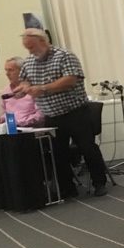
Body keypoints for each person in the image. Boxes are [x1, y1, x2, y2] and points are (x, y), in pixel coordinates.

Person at [14, 28, 107, 196]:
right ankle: (67, 188)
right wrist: (24, 88)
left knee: (87, 148)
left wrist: (43, 88)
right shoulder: (29, 62)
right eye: (27, 48)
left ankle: (99, 182)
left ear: (43, 41)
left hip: (75, 112)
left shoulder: (64, 56)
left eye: (32, 47)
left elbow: (70, 80)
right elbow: (25, 80)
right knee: (57, 153)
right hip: (51, 115)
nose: (30, 51)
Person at [0, 56, 44, 127]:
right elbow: (5, 112)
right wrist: (2, 119)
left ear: (22, 71)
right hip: (12, 128)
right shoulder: (6, 91)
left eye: (11, 70)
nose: (7, 74)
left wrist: (21, 122)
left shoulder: (33, 89)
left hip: (31, 128)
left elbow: (41, 115)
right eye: (6, 70)